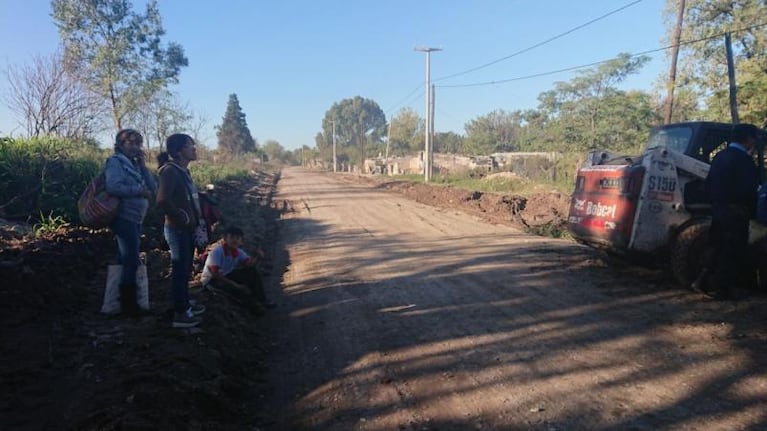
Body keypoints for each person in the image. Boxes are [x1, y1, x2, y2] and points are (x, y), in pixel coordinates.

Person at [104, 129, 157, 316]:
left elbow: (153, 186)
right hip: (123, 216)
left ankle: (113, 302)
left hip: (135, 217)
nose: (135, 147)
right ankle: (129, 305)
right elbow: (113, 186)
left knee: (124, 259)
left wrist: (143, 166)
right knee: (131, 260)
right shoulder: (115, 162)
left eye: (138, 144)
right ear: (120, 144)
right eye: (131, 143)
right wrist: (138, 191)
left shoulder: (134, 165)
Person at [156, 133, 207, 328]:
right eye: (189, 146)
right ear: (178, 151)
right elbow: (162, 200)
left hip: (186, 229)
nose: (194, 149)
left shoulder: (182, 171)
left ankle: (184, 303)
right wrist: (181, 217)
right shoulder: (170, 171)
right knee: (180, 270)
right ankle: (180, 314)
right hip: (177, 230)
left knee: (185, 269)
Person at [705, 123, 761, 300]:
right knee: (733, 251)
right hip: (736, 212)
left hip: (718, 209)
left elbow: (709, 183)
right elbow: (750, 189)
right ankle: (723, 291)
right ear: (749, 139)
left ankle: (705, 283)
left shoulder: (720, 156)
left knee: (717, 247)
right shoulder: (744, 160)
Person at [200, 226, 275, 310]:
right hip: (212, 281)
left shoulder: (238, 252)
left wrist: (258, 256)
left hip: (226, 275)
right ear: (224, 238)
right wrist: (236, 285)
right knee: (239, 293)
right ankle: (253, 307)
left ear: (241, 241)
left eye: (238, 238)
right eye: (232, 237)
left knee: (252, 272)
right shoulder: (217, 252)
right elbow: (215, 275)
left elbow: (249, 265)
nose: (235, 240)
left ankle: (262, 300)